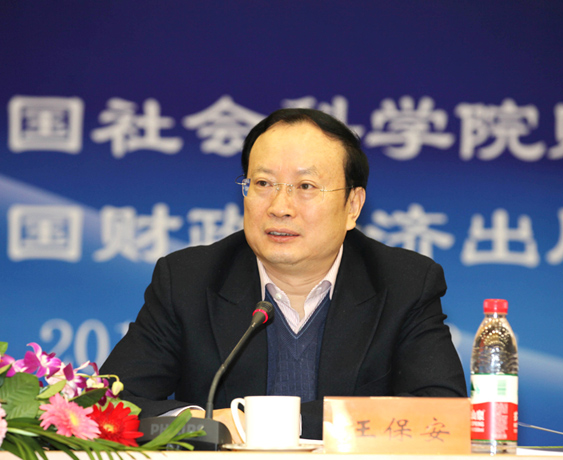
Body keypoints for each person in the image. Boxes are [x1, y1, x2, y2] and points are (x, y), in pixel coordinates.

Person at [100, 108, 467, 441]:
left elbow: (441, 412)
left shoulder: (404, 283)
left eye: (306, 187)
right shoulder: (188, 280)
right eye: (263, 184)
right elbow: (104, 406)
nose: (280, 207)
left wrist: (263, 423)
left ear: (352, 206)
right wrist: (201, 424)